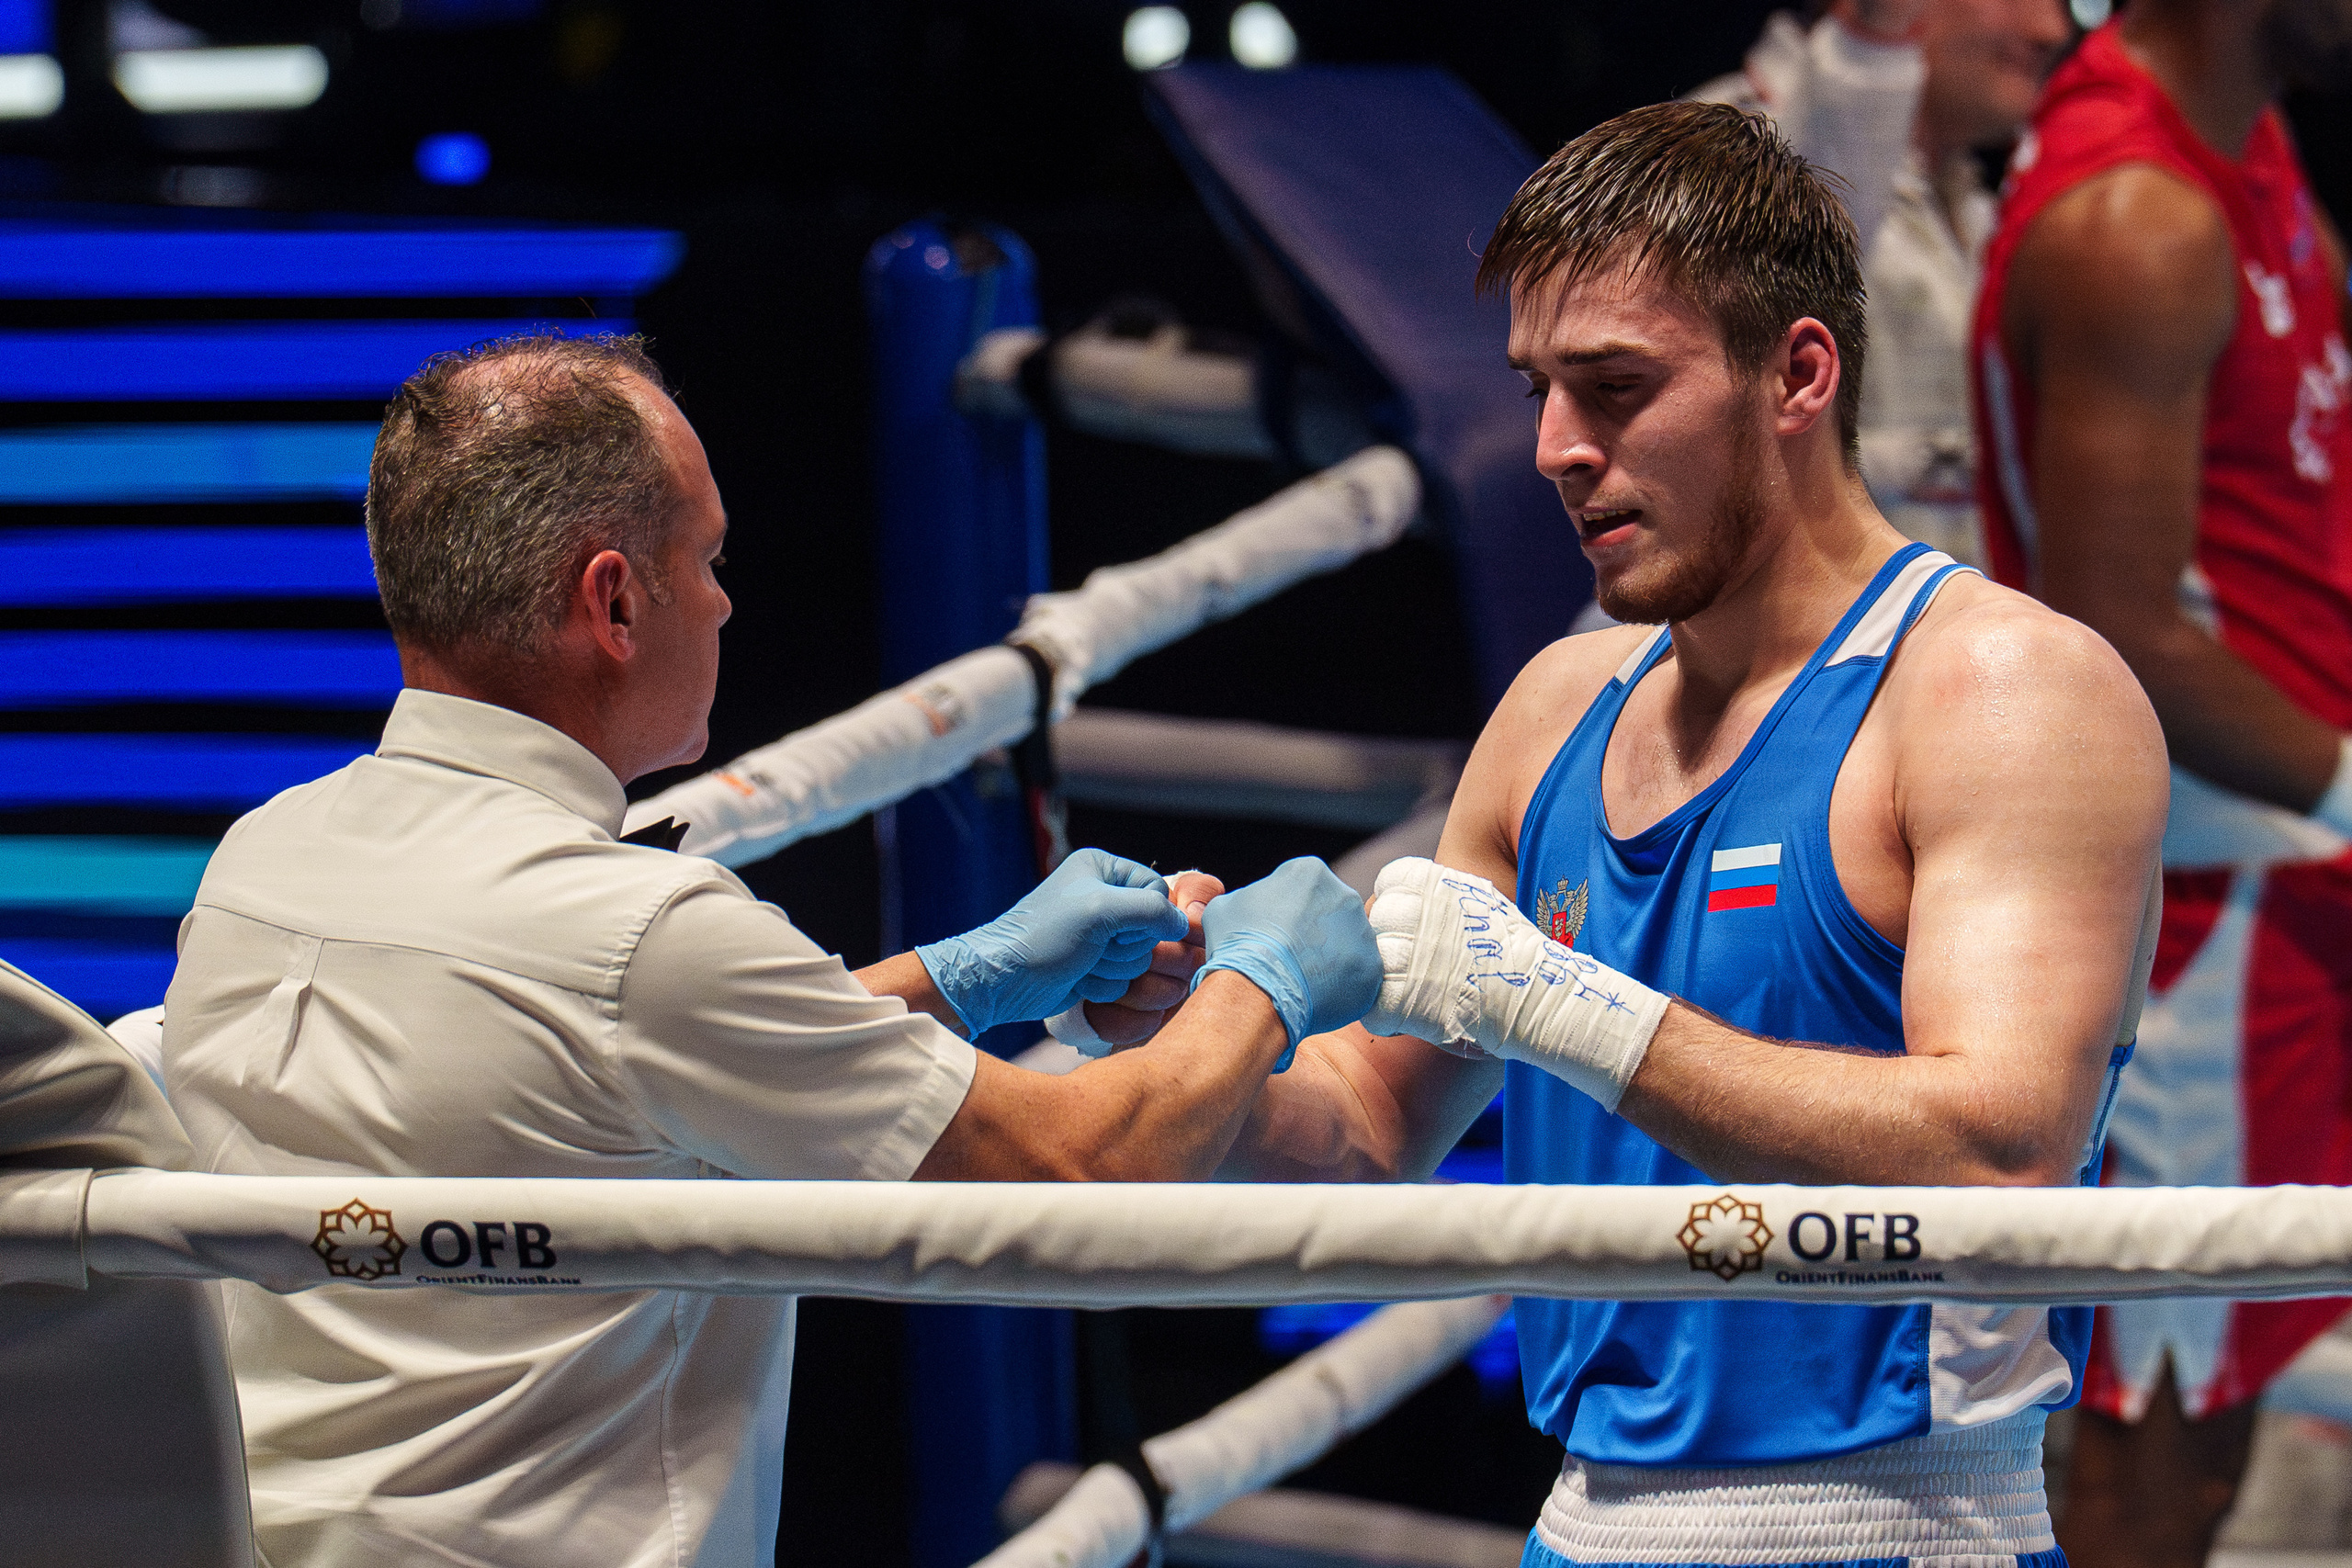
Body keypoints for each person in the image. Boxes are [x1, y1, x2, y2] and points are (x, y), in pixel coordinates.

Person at [159, 333, 1381, 1568]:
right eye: (706, 555)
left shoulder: (264, 857)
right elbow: (1092, 1178)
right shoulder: (636, 928)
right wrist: (1260, 978)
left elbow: (587, 1083)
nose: (727, 599)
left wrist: (968, 972)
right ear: (616, 600)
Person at [1217, 100, 2167, 1566]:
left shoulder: (1999, 688)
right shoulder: (1555, 709)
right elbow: (1364, 1126)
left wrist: (1566, 1003)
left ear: (1797, 372)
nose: (1552, 448)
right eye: (1538, 387)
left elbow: (2000, 1145)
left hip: (1900, 1523)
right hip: (1581, 1526)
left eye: (1613, 387)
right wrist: (1199, 1030)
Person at [1969, 3, 2352, 1562]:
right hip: (2186, 923)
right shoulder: (2139, 219)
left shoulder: (2251, 143)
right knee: (2142, 1430)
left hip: (2283, 877)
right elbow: (2116, 627)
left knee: (2220, 1379)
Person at [1689, 0, 2071, 572]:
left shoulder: (1973, 199)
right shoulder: (1713, 151)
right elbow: (1804, 240)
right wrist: (1875, 39)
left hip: (1936, 634)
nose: (2052, 30)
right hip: (1799, 649)